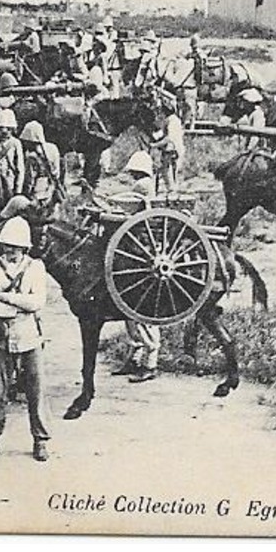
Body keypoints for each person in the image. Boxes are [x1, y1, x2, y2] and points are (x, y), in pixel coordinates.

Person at [0, 216, 51, 462]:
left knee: (36, 389)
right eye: (7, 246)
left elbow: (37, 302)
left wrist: (6, 298)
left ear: (25, 248)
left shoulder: (36, 268)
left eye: (16, 247)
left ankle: (40, 440)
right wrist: (19, 304)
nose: (11, 251)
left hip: (29, 336)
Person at [104, 152, 161, 383]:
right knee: (130, 310)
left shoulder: (142, 185)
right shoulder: (146, 183)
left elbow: (128, 204)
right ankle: (135, 357)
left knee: (140, 311)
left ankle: (149, 364)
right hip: (138, 236)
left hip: (142, 242)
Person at [20, 120, 64, 211]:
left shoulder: (31, 157)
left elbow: (29, 180)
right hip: (51, 189)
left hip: (37, 193)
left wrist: (25, 194)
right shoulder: (53, 148)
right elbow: (57, 172)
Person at [146, 101, 186, 194]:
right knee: (165, 172)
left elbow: (169, 138)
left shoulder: (173, 121)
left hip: (173, 150)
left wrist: (155, 145)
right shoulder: (169, 120)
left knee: (169, 174)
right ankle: (170, 191)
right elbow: (162, 134)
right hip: (169, 150)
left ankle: (172, 192)